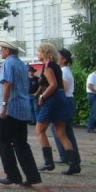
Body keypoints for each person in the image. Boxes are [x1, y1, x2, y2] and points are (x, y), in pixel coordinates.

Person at [0, 37, 42, 186]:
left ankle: (12, 174)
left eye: (1, 49)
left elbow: (7, 84)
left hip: (11, 108)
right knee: (21, 143)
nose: (0, 52)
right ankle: (32, 175)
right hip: (23, 108)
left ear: (7, 51)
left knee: (4, 142)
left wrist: (3, 105)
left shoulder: (8, 64)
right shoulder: (22, 65)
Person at [34, 43, 80, 176]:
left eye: (38, 52)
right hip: (60, 98)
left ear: (44, 53)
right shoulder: (56, 66)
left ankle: (48, 162)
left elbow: (53, 84)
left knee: (39, 129)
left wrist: (42, 95)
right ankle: (74, 163)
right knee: (61, 133)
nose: (37, 54)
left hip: (52, 100)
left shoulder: (48, 66)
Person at [50, 49, 82, 166]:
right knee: (61, 130)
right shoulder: (64, 71)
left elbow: (64, 87)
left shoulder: (63, 72)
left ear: (63, 59)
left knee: (64, 130)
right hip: (67, 99)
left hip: (65, 100)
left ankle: (71, 157)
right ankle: (66, 155)